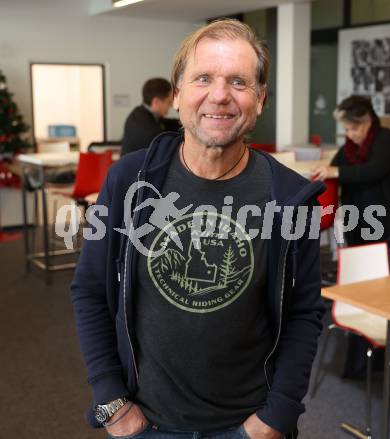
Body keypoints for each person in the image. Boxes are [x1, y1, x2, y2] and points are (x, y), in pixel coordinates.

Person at [71, 19, 325, 439]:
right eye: (203, 78)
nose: (220, 95)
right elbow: (90, 289)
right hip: (145, 422)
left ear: (260, 99)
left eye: (239, 82)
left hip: (249, 426)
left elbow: (303, 313)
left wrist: (276, 417)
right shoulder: (129, 182)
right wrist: (111, 402)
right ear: (177, 94)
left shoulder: (290, 197)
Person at [313, 95, 390, 377]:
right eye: (346, 129)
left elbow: (372, 171)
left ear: (368, 121)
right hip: (372, 224)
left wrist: (337, 170)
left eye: (353, 128)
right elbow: (339, 164)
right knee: (372, 288)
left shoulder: (387, 140)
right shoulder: (351, 148)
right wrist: (330, 169)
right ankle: (372, 361)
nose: (350, 135)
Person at [121, 77, 178, 156]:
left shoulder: (139, 113)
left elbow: (166, 123)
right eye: (169, 102)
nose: (172, 105)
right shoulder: (148, 130)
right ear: (156, 102)